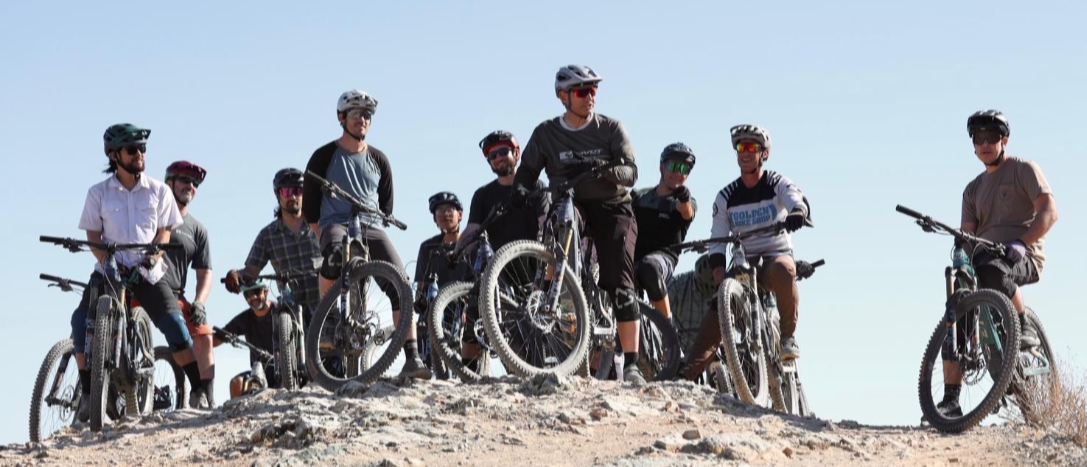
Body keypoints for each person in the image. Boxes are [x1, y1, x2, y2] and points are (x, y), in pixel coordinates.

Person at [510, 64, 645, 384]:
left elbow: (631, 173)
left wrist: (605, 169)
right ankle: (560, 285)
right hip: (571, 202)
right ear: (563, 97)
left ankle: (634, 364)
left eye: (593, 90)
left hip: (613, 207)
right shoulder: (546, 133)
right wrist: (519, 189)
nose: (590, 97)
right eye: (583, 92)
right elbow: (527, 171)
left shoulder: (611, 128)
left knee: (620, 285)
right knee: (560, 221)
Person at [71, 123, 201, 420]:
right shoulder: (98, 193)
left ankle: (199, 390)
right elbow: (93, 236)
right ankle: (89, 396)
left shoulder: (158, 191)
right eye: (133, 149)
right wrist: (110, 264)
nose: (140, 154)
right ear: (115, 155)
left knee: (175, 326)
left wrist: (151, 257)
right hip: (110, 270)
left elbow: (164, 232)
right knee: (80, 322)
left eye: (142, 149)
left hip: (148, 271)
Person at [936, 110, 1059, 417]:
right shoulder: (972, 189)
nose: (985, 144)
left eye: (991, 137)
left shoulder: (1023, 170)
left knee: (992, 269)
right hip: (984, 258)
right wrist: (960, 252)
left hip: (1022, 255)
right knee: (956, 309)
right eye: (979, 138)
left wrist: (1022, 242)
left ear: (1004, 140)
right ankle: (950, 399)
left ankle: (1025, 326)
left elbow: (1049, 211)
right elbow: (968, 233)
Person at [302, 89, 429, 379]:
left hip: (371, 224)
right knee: (333, 259)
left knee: (401, 282)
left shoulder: (379, 159)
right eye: (356, 114)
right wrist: (326, 236)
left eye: (367, 115)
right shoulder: (324, 156)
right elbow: (310, 210)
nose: (362, 119)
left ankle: (412, 355)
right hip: (335, 223)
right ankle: (331, 321)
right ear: (342, 118)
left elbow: (387, 206)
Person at [682, 124, 811, 381]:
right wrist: (719, 274)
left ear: (764, 153)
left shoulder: (776, 183)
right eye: (741, 147)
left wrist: (797, 212)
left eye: (752, 147)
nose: (745, 152)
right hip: (744, 261)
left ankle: (787, 338)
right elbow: (717, 240)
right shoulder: (726, 197)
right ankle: (685, 375)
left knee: (785, 270)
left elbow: (795, 198)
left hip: (775, 257)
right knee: (718, 308)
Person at [456, 130, 549, 372]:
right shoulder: (483, 195)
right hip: (500, 268)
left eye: (502, 152)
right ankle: (468, 374)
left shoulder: (535, 186)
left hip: (532, 263)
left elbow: (544, 223)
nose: (497, 158)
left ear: (516, 153)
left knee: (534, 328)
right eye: (492, 156)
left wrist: (542, 244)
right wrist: (456, 249)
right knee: (475, 307)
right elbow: (472, 230)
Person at [225, 169, 322, 319]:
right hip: (291, 312)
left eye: (298, 190)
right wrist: (236, 275)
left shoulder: (321, 225)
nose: (293, 196)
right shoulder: (267, 235)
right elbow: (251, 270)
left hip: (324, 306)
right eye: (286, 191)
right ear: (277, 195)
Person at [161, 160, 216, 408]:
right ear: (169, 183)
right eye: (184, 180)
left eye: (194, 183)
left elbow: (205, 274)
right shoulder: (152, 214)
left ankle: (204, 397)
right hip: (142, 288)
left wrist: (199, 302)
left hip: (176, 294)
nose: (190, 186)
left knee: (204, 335)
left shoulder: (197, 229)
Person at [631, 142, 698, 320]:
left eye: (684, 169)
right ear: (662, 166)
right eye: (674, 166)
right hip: (632, 258)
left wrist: (684, 198)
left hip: (662, 260)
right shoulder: (639, 197)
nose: (678, 173)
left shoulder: (686, 201)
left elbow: (686, 211)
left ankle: (667, 330)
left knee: (649, 267)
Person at [213, 280, 278, 399]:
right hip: (258, 374)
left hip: (285, 372)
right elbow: (216, 339)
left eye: (256, 291)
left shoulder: (281, 312)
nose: (252, 296)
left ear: (266, 291)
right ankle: (237, 416)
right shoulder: (245, 318)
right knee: (236, 383)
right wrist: (199, 337)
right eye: (247, 294)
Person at [668, 255, 717, 353]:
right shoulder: (677, 285)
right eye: (703, 287)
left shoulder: (725, 288)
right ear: (695, 277)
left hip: (711, 351)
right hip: (681, 350)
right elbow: (658, 315)